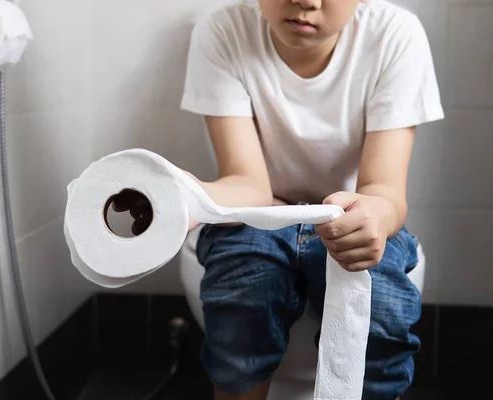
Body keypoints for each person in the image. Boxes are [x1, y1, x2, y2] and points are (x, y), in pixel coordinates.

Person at [114, 0, 444, 399]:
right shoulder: (223, 32)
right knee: (242, 306)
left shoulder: (394, 35)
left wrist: (374, 214)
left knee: (381, 317)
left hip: (351, 212)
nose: (306, 1)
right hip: (263, 212)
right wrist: (190, 196)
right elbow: (249, 185)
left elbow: (385, 190)